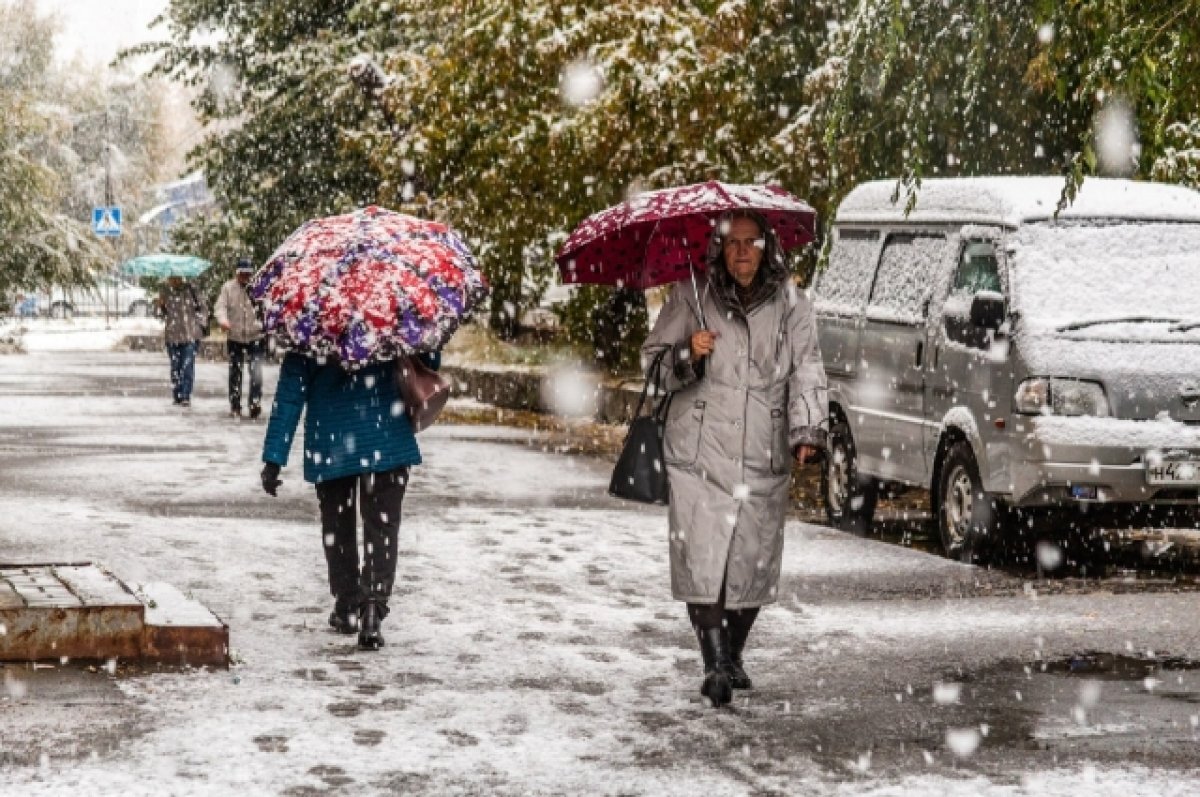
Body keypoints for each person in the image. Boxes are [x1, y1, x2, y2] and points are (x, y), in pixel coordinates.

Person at [640, 209, 829, 707]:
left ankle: (733, 652)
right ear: (718, 248)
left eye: (752, 242)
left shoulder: (791, 302)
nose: (742, 251)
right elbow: (652, 363)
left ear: (768, 248)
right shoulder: (691, 293)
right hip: (698, 448)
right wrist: (686, 353)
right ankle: (715, 663)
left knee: (752, 559)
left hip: (760, 448)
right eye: (732, 242)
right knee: (703, 558)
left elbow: (807, 367)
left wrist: (807, 426)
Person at [259, 350, 441, 651]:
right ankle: (372, 609)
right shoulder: (391, 311)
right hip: (386, 434)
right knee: (382, 527)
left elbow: (291, 391)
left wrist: (274, 457)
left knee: (338, 525)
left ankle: (347, 604)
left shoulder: (308, 317)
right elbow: (429, 363)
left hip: (331, 438)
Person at [215, 259, 265, 418]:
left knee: (256, 372)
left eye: (248, 273)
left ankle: (255, 403)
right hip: (235, 336)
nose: (245, 276)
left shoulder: (258, 288)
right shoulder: (228, 288)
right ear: (236, 273)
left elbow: (267, 308)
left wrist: (264, 325)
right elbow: (220, 307)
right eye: (242, 273)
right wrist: (223, 320)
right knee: (235, 373)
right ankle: (235, 405)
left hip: (255, 335)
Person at [157, 276, 208, 408]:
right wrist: (161, 306)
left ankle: (185, 395)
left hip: (190, 335)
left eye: (176, 278)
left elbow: (203, 309)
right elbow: (160, 315)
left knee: (187, 367)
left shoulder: (192, 290)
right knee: (175, 367)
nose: (174, 281)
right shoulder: (165, 292)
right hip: (172, 336)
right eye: (171, 279)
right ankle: (177, 395)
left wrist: (199, 324)